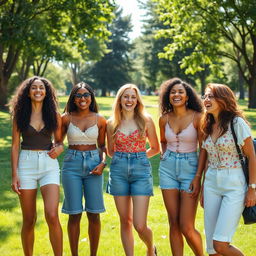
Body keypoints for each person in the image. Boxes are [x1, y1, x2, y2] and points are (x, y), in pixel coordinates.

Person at [197, 83, 256, 256]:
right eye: (205, 96)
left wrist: (252, 189)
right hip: (211, 183)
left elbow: (252, 156)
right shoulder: (206, 124)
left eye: (211, 96)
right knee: (211, 249)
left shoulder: (236, 123)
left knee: (220, 244)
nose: (206, 100)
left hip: (234, 183)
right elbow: (208, 156)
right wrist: (202, 187)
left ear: (224, 99)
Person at [10, 76, 63, 256]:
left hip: (49, 165)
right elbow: (15, 146)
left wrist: (59, 148)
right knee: (29, 219)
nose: (38, 90)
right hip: (26, 166)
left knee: (52, 215)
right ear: (28, 92)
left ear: (46, 92)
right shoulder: (20, 115)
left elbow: (59, 142)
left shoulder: (54, 115)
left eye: (41, 88)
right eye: (34, 88)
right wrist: (14, 174)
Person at [106, 84, 159, 256]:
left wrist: (139, 157)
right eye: (126, 97)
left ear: (137, 100)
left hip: (141, 172)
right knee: (125, 221)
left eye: (133, 97)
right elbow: (110, 150)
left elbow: (155, 148)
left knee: (139, 224)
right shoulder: (111, 123)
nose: (129, 100)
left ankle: (151, 249)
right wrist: (123, 159)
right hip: (118, 171)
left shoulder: (146, 120)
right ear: (120, 99)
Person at [158, 78, 204, 256]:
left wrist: (198, 176)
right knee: (173, 222)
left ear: (187, 97)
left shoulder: (198, 117)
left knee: (186, 225)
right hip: (167, 169)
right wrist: (164, 154)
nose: (176, 95)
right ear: (168, 96)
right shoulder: (164, 119)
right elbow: (163, 141)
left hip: (190, 168)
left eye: (180, 92)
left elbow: (203, 149)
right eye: (173, 92)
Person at [60, 82, 106, 256]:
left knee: (94, 213)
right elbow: (57, 142)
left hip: (94, 164)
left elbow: (102, 146)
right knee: (74, 213)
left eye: (86, 94)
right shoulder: (65, 118)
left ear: (91, 97)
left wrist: (102, 163)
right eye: (78, 95)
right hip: (71, 164)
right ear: (73, 98)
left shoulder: (100, 119)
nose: (82, 98)